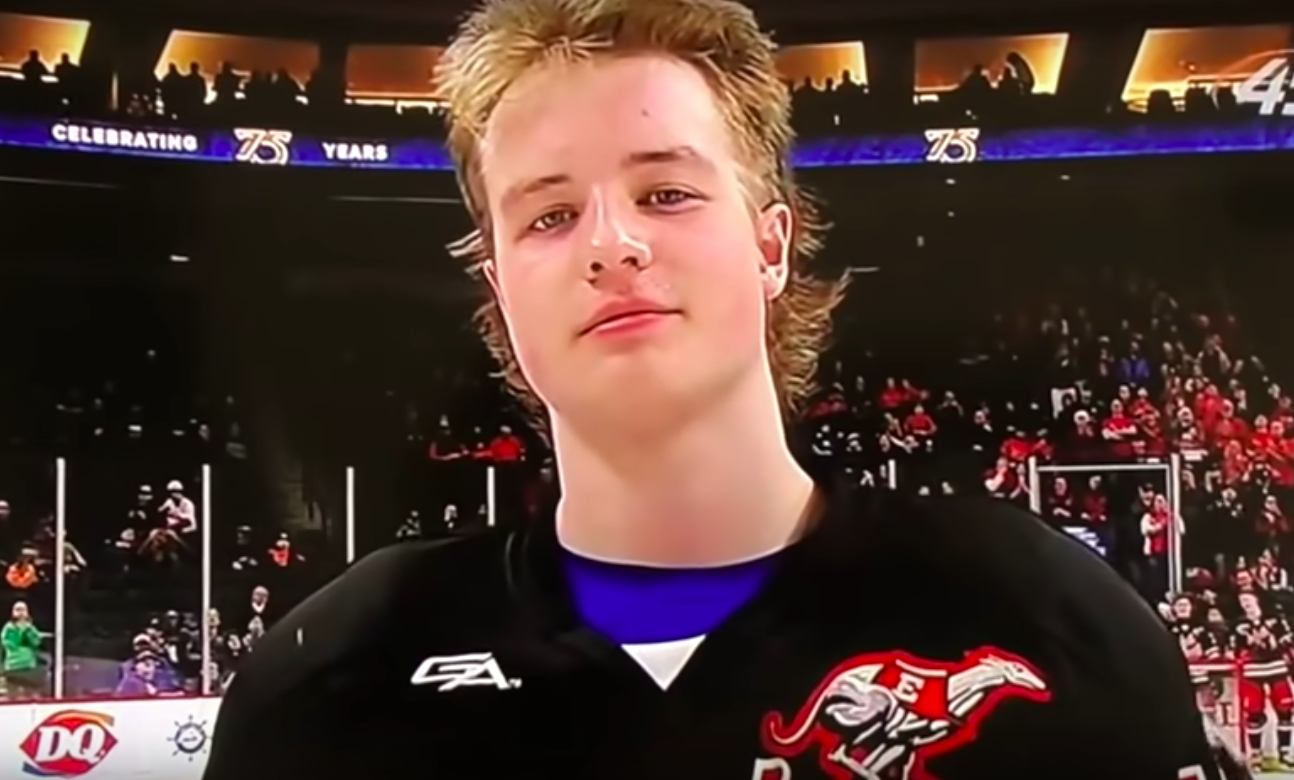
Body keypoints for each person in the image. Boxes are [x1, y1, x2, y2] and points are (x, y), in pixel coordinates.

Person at [204, 1, 1232, 778]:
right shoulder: (332, 673)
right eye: (549, 216)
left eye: (666, 192)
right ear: (499, 285)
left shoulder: (1047, 619)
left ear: (771, 244)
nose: (611, 244)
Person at [2, 601, 44, 700]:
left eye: (23, 610)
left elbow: (36, 642)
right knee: (12, 695)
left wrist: (28, 629)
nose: (21, 612)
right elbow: (10, 644)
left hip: (28, 666)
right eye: (18, 610)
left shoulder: (30, 628)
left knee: (30, 694)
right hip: (13, 666)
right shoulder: (9, 628)